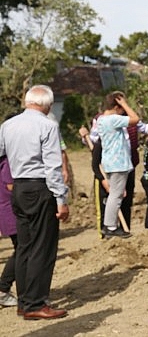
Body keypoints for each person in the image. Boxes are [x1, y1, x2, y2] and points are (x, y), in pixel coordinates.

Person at [0, 85, 69, 319]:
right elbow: (52, 166)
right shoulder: (48, 125)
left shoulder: (7, 126)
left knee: (25, 247)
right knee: (43, 246)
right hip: (40, 187)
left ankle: (24, 301)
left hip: (18, 187)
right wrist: (61, 198)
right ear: (48, 104)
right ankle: (36, 303)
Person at [96, 91, 140, 238]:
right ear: (117, 106)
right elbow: (135, 119)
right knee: (116, 195)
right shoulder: (113, 119)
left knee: (114, 195)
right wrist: (125, 104)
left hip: (109, 162)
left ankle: (110, 224)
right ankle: (111, 226)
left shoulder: (101, 119)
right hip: (118, 163)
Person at [0, 154, 18, 308]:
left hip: (8, 212)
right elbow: (11, 186)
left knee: (21, 249)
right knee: (22, 249)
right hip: (12, 213)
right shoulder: (7, 163)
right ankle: (3, 287)